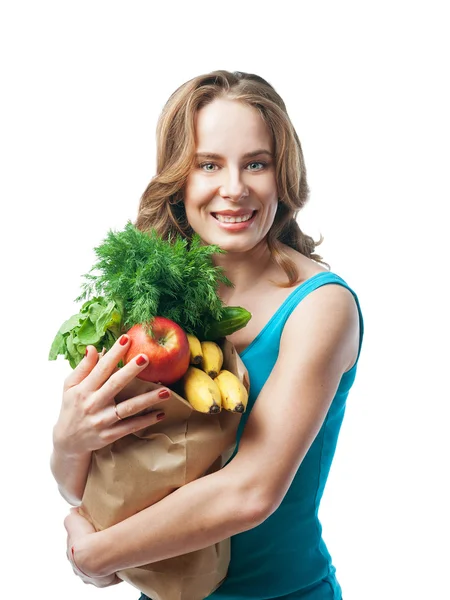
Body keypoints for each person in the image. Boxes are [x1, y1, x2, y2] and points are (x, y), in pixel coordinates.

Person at [51, 70, 364, 600]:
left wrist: (97, 555)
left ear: (281, 175)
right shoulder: (148, 295)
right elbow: (84, 483)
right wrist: (68, 440)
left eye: (256, 164)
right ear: (180, 178)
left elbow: (251, 492)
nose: (235, 188)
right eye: (209, 164)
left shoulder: (321, 307)